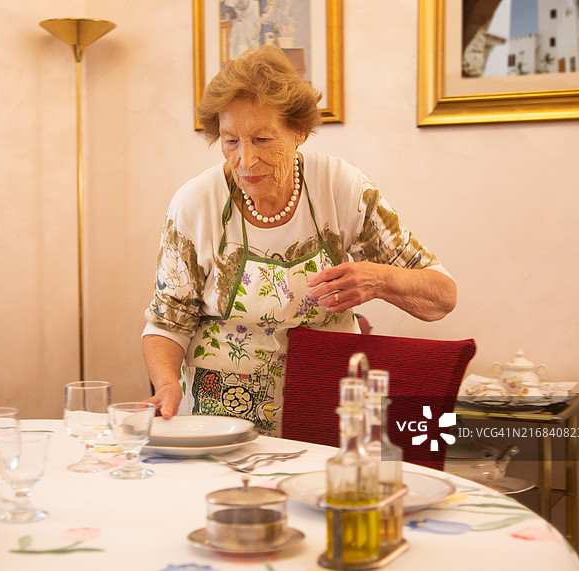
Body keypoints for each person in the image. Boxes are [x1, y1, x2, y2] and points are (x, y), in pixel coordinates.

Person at [142, 45, 456, 436]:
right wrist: (168, 385)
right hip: (218, 422)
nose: (245, 160)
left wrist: (379, 279)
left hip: (327, 408)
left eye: (261, 139)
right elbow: (166, 323)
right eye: (231, 141)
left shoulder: (341, 188)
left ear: (299, 132)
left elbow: (442, 297)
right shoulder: (195, 204)